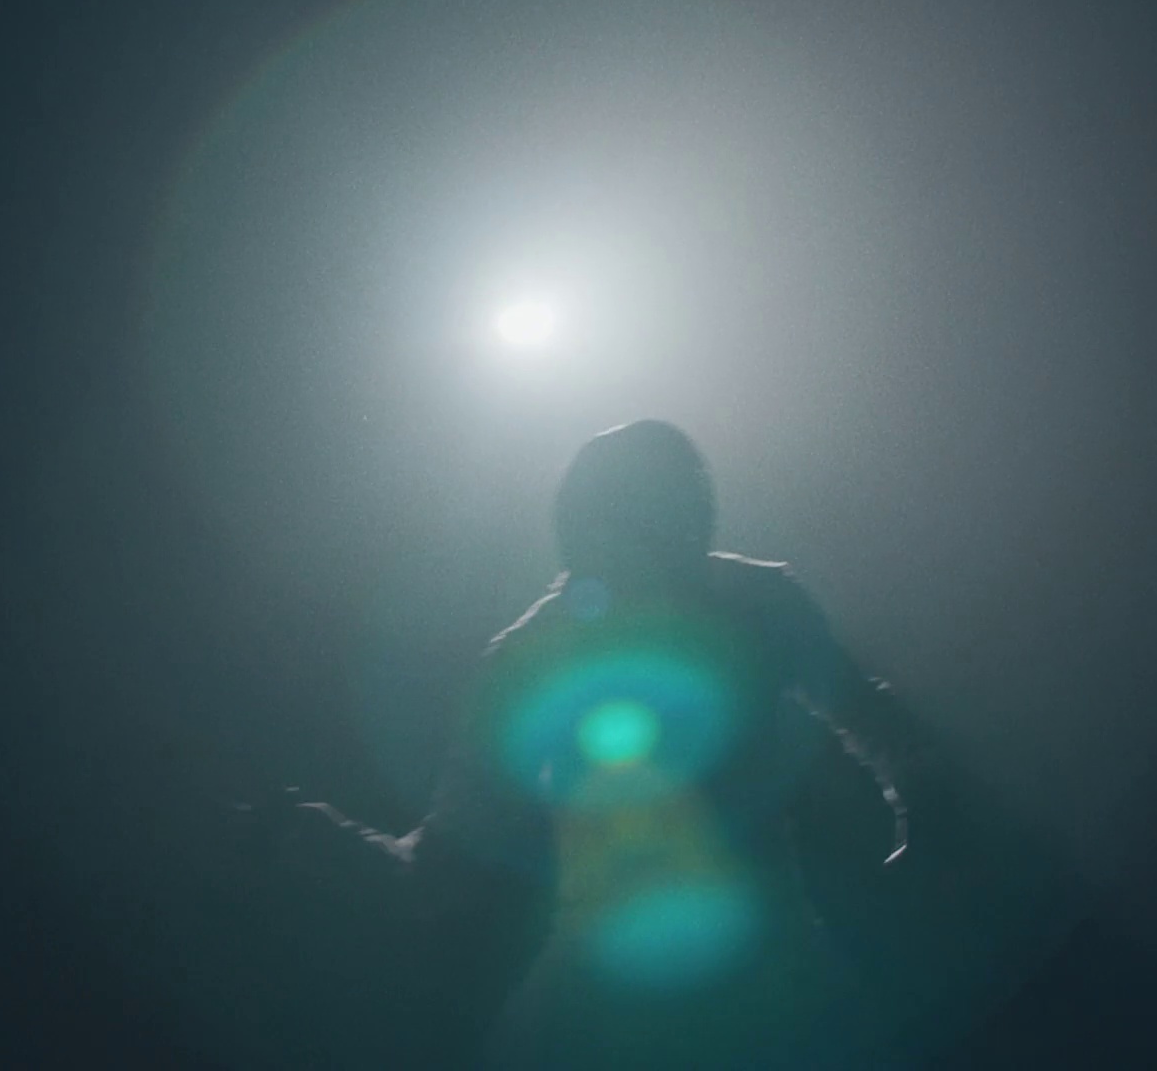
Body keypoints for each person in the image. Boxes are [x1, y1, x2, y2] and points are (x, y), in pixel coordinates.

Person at [276, 421, 1057, 1067]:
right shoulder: (541, 658)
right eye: (657, 518)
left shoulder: (741, 607)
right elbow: (445, 864)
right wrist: (337, 847)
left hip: (736, 990)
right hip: (663, 1003)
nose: (673, 541)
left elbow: (440, 867)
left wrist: (925, 807)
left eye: (679, 517)